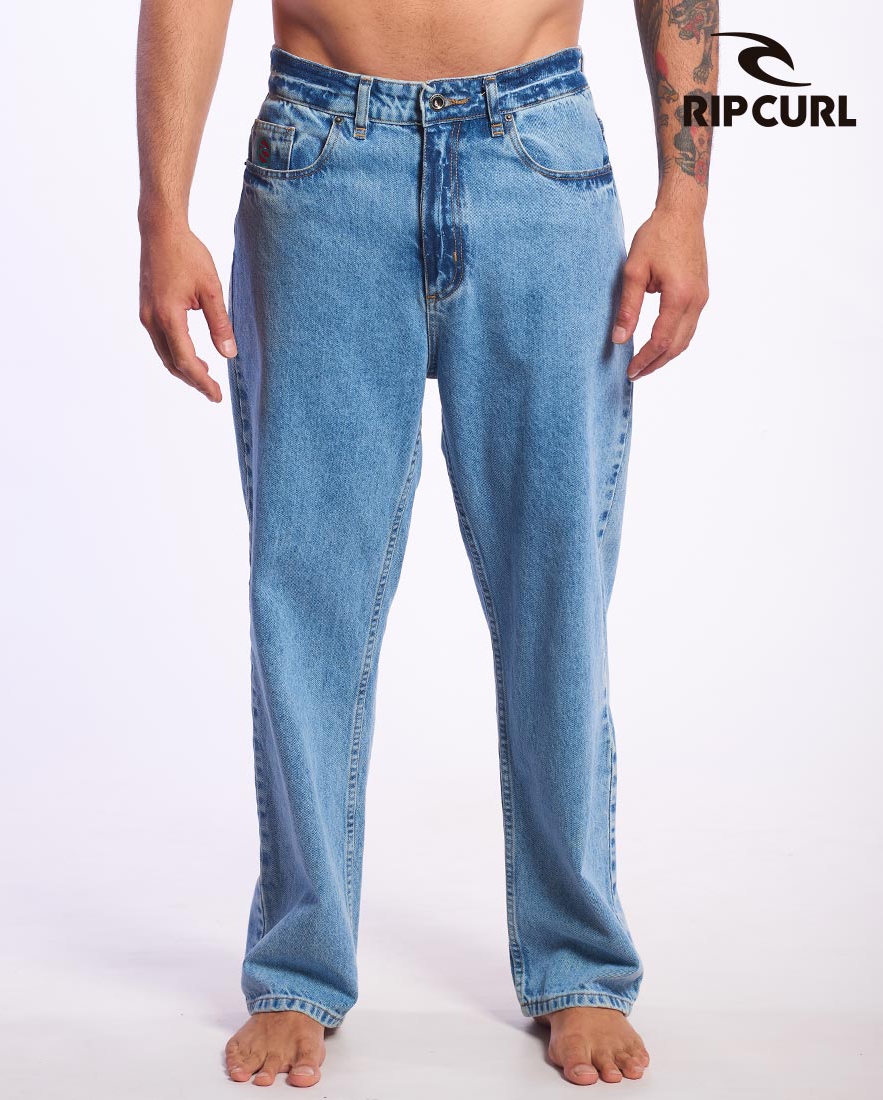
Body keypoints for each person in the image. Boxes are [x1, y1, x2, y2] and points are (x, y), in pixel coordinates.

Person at [137, 0, 714, 1087]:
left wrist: (684, 202)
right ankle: (298, 962)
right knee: (305, 593)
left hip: (538, 155)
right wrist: (161, 213)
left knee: (559, 590)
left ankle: (580, 958)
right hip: (322, 157)